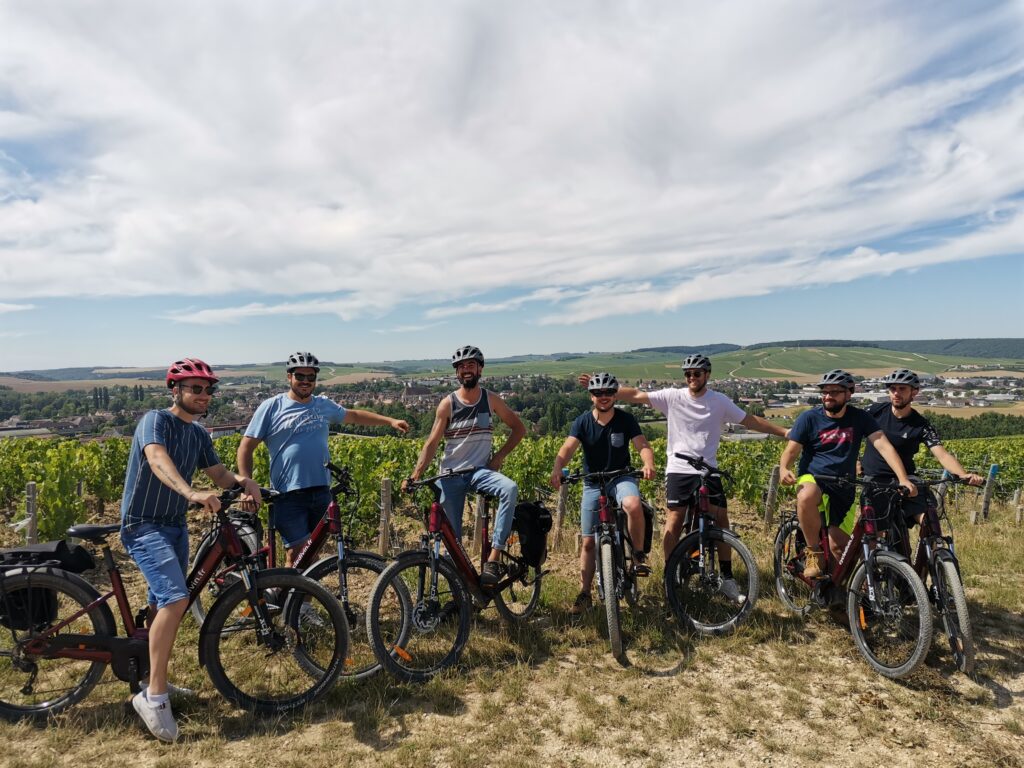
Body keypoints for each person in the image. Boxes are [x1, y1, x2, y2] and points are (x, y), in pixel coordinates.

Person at [120, 358, 262, 743]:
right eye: (194, 388)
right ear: (175, 390)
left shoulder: (198, 434)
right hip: (144, 524)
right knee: (175, 598)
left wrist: (245, 483)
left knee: (160, 603)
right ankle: (156, 698)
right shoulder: (155, 421)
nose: (203, 395)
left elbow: (219, 474)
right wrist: (190, 492)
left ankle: (150, 680)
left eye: (208, 389)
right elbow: (156, 458)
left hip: (174, 526)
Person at [584, 353, 788, 601]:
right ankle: (670, 575)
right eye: (688, 374)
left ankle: (727, 578)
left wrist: (784, 431)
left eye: (697, 373)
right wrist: (604, 388)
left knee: (722, 521)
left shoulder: (720, 401)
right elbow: (636, 395)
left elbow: (750, 421)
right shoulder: (673, 397)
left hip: (707, 469)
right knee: (674, 520)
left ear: (707, 375)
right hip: (679, 469)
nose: (692, 377)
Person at [237, 351, 409, 566]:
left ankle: (301, 598)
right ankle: (294, 597)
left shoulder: (322, 405)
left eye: (311, 377)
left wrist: (390, 421)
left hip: (321, 491)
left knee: (313, 553)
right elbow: (245, 448)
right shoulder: (271, 407)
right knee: (297, 553)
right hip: (287, 493)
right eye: (300, 376)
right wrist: (247, 485)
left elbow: (354, 416)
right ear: (289, 377)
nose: (306, 381)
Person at [405, 345, 526, 585]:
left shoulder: (491, 400)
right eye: (461, 367)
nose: (466, 370)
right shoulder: (447, 404)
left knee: (509, 489)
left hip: (479, 471)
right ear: (456, 373)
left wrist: (499, 457)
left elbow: (519, 429)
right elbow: (431, 443)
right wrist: (415, 474)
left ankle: (494, 557)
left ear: (480, 368)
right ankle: (461, 597)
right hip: (450, 475)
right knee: (453, 544)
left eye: (470, 365)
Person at [779, 369, 916, 580]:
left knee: (839, 549)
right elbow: (791, 450)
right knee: (806, 495)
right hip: (814, 478)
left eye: (834, 392)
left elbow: (883, 446)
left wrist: (903, 478)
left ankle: (839, 599)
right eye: (825, 392)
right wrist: (784, 468)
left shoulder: (860, 418)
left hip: (844, 485)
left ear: (848, 394)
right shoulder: (809, 418)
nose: (828, 396)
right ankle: (813, 553)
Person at [550, 372, 656, 615]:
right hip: (592, 482)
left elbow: (642, 445)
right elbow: (568, 447)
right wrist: (557, 468)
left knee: (633, 504)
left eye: (608, 392)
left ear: (615, 395)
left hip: (621, 477)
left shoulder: (626, 420)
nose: (604, 397)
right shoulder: (582, 422)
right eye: (598, 393)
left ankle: (638, 557)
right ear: (591, 396)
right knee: (588, 542)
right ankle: (585, 592)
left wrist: (648, 463)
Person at [861, 368, 984, 531]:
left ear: (914, 392)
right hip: (875, 478)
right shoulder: (875, 411)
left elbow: (942, 454)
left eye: (902, 389)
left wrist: (962, 474)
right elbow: (852, 435)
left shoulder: (921, 425)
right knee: (875, 534)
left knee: (930, 522)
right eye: (893, 389)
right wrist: (855, 461)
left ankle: (934, 552)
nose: (896, 393)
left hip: (908, 480)